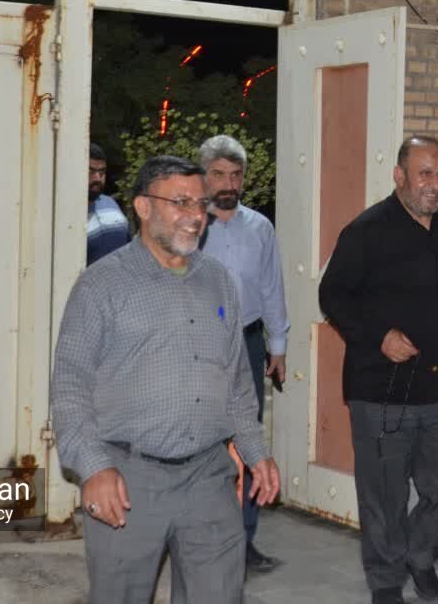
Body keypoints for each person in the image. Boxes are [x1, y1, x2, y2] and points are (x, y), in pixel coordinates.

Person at [52, 155, 280, 604]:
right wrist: (94, 467)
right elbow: (70, 386)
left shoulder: (219, 281)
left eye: (201, 204)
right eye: (181, 203)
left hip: (208, 476)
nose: (196, 216)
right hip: (129, 477)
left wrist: (256, 451)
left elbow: (236, 379)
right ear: (143, 207)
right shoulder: (101, 285)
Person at [319, 136, 438, 604]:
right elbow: (332, 295)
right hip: (380, 391)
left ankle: (419, 553)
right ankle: (386, 580)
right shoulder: (366, 231)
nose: (435, 184)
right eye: (425, 173)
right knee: (384, 494)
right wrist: (379, 335)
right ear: (399, 175)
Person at [197, 134, 290, 574]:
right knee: (202, 438)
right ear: (204, 176)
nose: (228, 183)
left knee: (247, 436)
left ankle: (244, 540)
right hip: (199, 345)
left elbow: (272, 288)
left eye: (235, 175)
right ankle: (200, 538)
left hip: (249, 343)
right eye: (218, 174)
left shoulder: (260, 228)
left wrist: (278, 346)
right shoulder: (189, 227)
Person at [86, 142, 129, 265]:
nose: (97, 178)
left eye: (102, 172)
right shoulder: (65, 213)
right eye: (91, 172)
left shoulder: (110, 203)